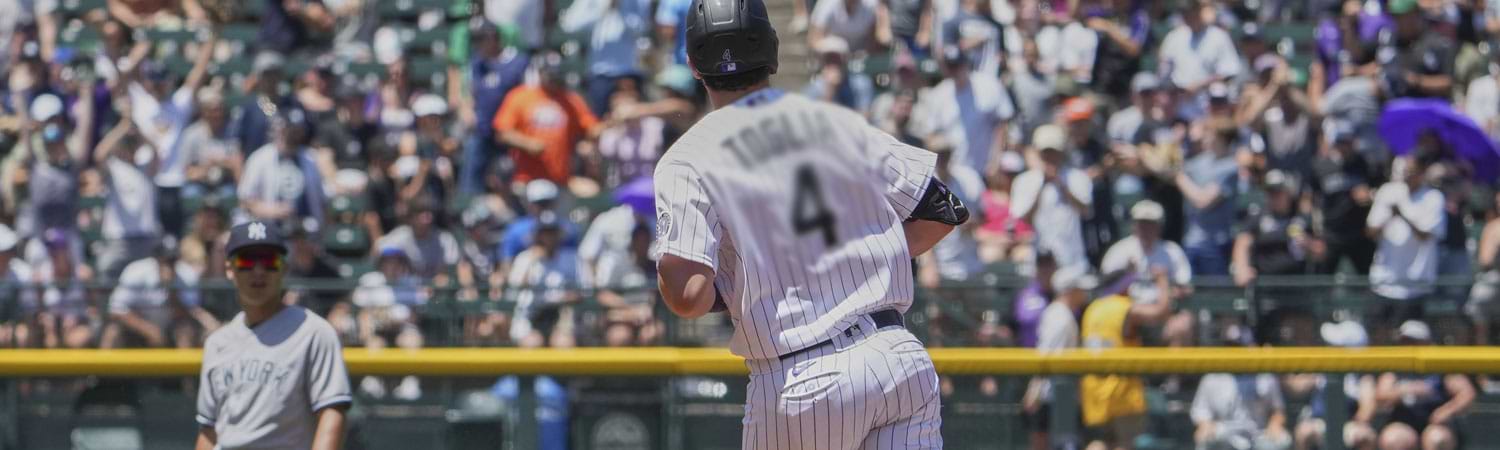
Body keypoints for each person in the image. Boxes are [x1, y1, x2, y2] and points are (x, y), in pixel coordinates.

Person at [653, 0, 967, 447]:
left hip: (803, 378)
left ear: (693, 64)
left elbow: (689, 297)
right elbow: (943, 209)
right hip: (899, 361)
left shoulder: (686, 159)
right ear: (772, 50)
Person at [195, 220, 351, 450]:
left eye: (269, 261)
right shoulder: (217, 343)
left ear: (284, 268)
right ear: (229, 269)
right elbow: (209, 432)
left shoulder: (314, 332)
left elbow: (332, 413)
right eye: (247, 261)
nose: (258, 271)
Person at [1081, 268, 1177, 450]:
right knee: (1124, 444)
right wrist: (1162, 280)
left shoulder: (1092, 309)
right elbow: (1161, 312)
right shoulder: (1122, 307)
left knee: (1099, 443)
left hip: (1094, 390)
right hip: (1121, 390)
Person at [1367, 155, 1445, 340]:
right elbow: (1370, 232)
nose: (1407, 176)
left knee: (1410, 339)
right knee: (1378, 338)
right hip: (1384, 281)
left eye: (1412, 172)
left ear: (1422, 173)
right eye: (1405, 172)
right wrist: (1389, 216)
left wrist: (1402, 215)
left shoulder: (1433, 198)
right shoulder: (1387, 191)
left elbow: (1425, 235)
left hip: (1415, 285)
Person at [1022, 266, 1096, 450]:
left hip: (1059, 392)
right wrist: (1035, 389)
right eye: (1080, 289)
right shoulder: (1060, 317)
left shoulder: (1059, 312)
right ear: (1070, 290)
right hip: (1054, 394)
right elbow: (1047, 356)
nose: (1084, 293)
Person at [1372, 321, 1474, 450]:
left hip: (1436, 423)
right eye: (1404, 341)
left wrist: (1446, 411)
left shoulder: (1440, 366)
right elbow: (1381, 395)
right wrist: (1406, 389)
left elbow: (1467, 393)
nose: (1407, 345)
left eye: (1413, 341)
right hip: (1405, 422)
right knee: (1394, 439)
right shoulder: (1396, 368)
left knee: (1437, 439)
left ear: (1426, 343)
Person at [102, 240, 219, 349]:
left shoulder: (187, 275)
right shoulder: (136, 271)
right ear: (156, 260)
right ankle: (103, 365)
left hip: (171, 328)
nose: (169, 264)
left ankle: (183, 365)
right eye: (164, 260)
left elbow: (189, 313)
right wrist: (147, 329)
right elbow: (116, 310)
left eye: (172, 260)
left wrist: (171, 289)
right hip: (138, 327)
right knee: (113, 331)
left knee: (186, 329)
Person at [1012, 124, 1093, 272]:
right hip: (1039, 262)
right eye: (1045, 152)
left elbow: (1086, 211)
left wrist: (1061, 185)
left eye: (1053, 152)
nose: (1050, 157)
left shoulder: (1078, 177)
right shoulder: (1024, 181)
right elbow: (1023, 220)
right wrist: (1042, 187)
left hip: (1073, 261)